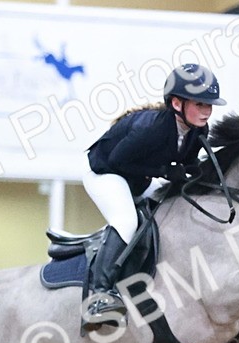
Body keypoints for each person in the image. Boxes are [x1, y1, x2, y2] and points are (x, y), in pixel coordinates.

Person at [81, 62, 225, 325]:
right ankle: (98, 295)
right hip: (105, 173)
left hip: (137, 177)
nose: (207, 111)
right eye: (200, 104)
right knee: (126, 222)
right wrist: (165, 171)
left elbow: (184, 167)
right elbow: (117, 160)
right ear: (177, 104)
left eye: (209, 105)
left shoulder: (198, 131)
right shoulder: (151, 128)